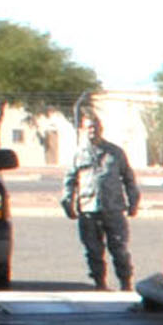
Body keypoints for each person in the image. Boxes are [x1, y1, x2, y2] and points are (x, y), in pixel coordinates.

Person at [60, 114, 139, 289]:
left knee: (119, 248)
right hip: (89, 209)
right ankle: (99, 283)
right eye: (88, 127)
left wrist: (133, 201)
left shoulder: (115, 153)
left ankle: (125, 283)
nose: (92, 130)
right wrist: (67, 202)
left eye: (95, 126)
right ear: (82, 129)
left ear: (101, 129)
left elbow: (128, 178)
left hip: (113, 209)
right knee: (93, 250)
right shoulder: (78, 155)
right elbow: (69, 181)